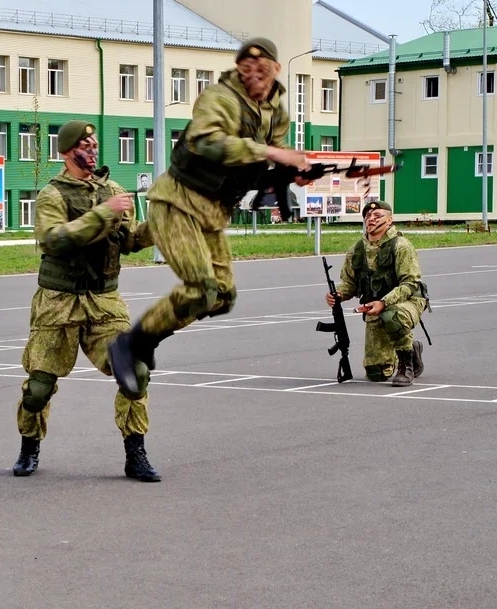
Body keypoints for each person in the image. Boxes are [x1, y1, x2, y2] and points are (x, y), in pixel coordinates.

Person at [108, 38, 312, 396]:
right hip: (177, 201)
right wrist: (269, 152)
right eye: (246, 70)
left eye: (261, 70)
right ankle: (130, 343)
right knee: (201, 288)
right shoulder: (219, 98)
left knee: (222, 296)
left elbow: (273, 157)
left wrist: (293, 170)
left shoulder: (278, 111)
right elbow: (205, 142)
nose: (254, 77)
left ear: (276, 70)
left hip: (212, 211)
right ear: (238, 69)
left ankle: (148, 339)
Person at [11, 120, 159, 482]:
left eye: (94, 144)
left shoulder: (113, 189)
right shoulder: (53, 194)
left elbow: (130, 240)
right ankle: (29, 446)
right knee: (39, 387)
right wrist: (104, 212)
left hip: (104, 301)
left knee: (135, 374)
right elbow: (54, 239)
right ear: (66, 152)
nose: (92, 149)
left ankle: (135, 452)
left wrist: (165, 221)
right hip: (58, 300)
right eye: (85, 144)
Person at [326, 199, 428, 386]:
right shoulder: (357, 250)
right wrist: (338, 295)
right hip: (375, 306)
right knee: (376, 373)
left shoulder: (401, 245)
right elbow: (349, 284)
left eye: (377, 216)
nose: (371, 219)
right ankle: (412, 348)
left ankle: (406, 365)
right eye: (367, 216)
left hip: (409, 301)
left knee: (392, 316)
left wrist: (384, 302)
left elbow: (410, 283)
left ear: (389, 221)